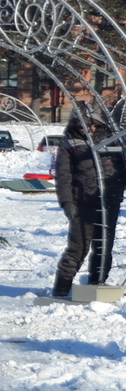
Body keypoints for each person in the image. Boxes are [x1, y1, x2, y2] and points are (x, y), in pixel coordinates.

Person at [52, 104, 125, 297]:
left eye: (92, 125)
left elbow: (121, 169)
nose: (88, 129)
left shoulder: (113, 140)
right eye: (83, 125)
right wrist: (67, 202)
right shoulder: (69, 143)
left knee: (104, 247)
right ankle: (61, 288)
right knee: (78, 248)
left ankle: (97, 284)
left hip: (109, 202)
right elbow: (63, 175)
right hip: (82, 203)